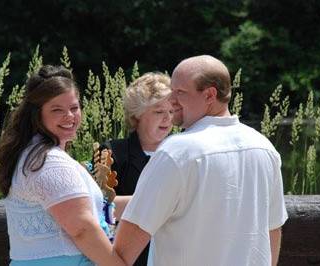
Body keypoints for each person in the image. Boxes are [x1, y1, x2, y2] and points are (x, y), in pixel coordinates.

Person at [114, 55, 288, 266]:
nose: (171, 100)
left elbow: (125, 248)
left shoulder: (177, 152)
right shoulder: (264, 148)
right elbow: (273, 230)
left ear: (210, 95)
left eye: (180, 92)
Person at [0, 65, 126, 266]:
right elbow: (82, 230)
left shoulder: (35, 154)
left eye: (74, 108)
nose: (70, 116)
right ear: (37, 114)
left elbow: (96, 208)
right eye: (57, 110)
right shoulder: (50, 162)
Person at [99, 72, 173, 265]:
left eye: (172, 111)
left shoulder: (183, 152)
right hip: (130, 258)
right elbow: (99, 207)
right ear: (137, 115)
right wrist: (162, 204)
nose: (167, 118)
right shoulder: (112, 152)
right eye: (158, 112)